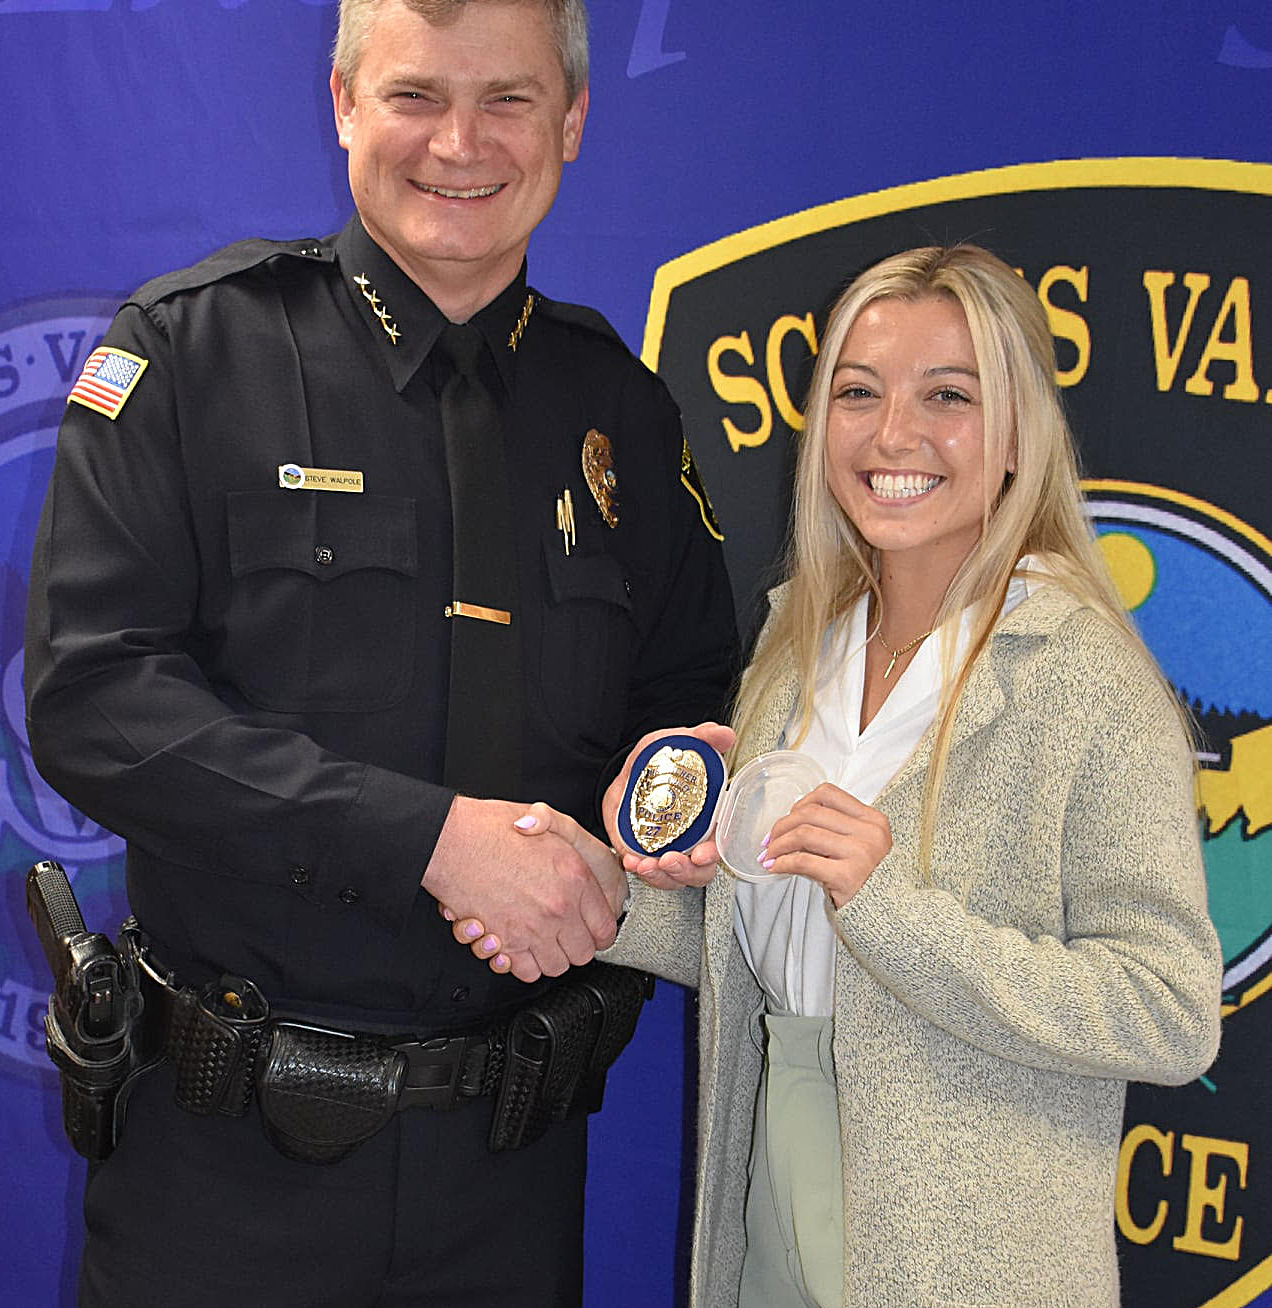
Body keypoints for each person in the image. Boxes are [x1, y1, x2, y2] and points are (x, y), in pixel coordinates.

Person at [23, 0, 736, 1308]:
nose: (458, 145)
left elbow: (693, 703)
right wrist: (432, 842)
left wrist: (634, 841)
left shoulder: (621, 413)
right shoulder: (189, 351)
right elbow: (96, 700)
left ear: (573, 119)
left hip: (512, 1172)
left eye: (506, 99)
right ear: (344, 101)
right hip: (223, 1169)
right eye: (413, 93)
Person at [462, 243, 1223, 1306]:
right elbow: (774, 941)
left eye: (947, 395)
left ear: (1015, 435)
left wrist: (889, 906)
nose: (894, 433)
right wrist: (597, 890)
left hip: (970, 1255)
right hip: (774, 1158)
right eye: (858, 392)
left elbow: (1170, 1012)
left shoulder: (1083, 674)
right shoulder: (797, 645)